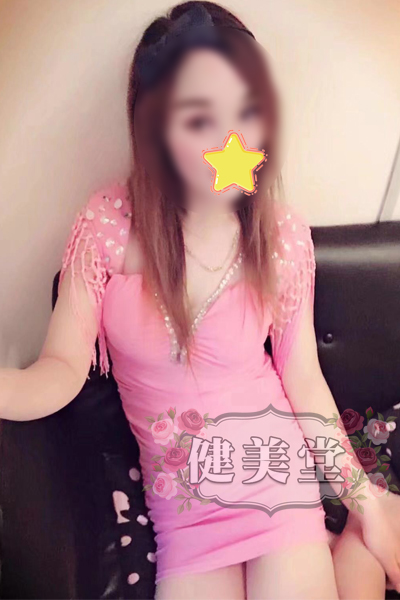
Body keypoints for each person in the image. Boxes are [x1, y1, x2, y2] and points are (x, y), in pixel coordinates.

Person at [1, 2, 400, 599]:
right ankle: (352, 554)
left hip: (274, 479)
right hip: (186, 515)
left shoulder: (281, 236)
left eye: (248, 111)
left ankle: (353, 540)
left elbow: (302, 376)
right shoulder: (108, 226)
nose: (231, 141)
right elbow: (60, 367)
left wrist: (363, 500)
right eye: (199, 120)